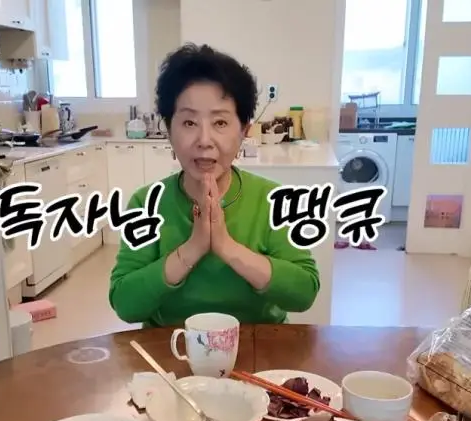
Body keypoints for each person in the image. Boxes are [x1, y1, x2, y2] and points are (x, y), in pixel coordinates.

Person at [108, 43, 320, 327]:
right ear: (168, 130)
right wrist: (193, 247)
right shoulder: (146, 204)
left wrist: (226, 247)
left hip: (258, 345)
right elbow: (126, 304)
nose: (204, 140)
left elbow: (303, 294)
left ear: (244, 131)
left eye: (220, 123)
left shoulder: (274, 200)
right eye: (189, 123)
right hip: (171, 346)